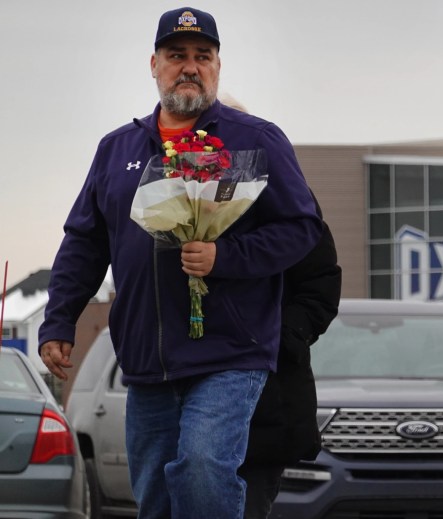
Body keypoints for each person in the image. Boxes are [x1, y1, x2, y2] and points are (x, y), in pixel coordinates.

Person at [37, 7, 321, 519]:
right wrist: (59, 319)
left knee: (203, 466)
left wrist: (225, 256)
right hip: (145, 356)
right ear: (154, 64)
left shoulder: (255, 139)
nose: (189, 67)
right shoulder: (116, 149)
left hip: (231, 352)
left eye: (202, 56)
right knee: (156, 499)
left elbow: (302, 229)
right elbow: (85, 240)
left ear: (217, 65)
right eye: (176, 56)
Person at [239, 194, 341, 519]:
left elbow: (320, 284)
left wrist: (276, 339)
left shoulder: (280, 185)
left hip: (265, 399)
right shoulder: (163, 174)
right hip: (176, 390)